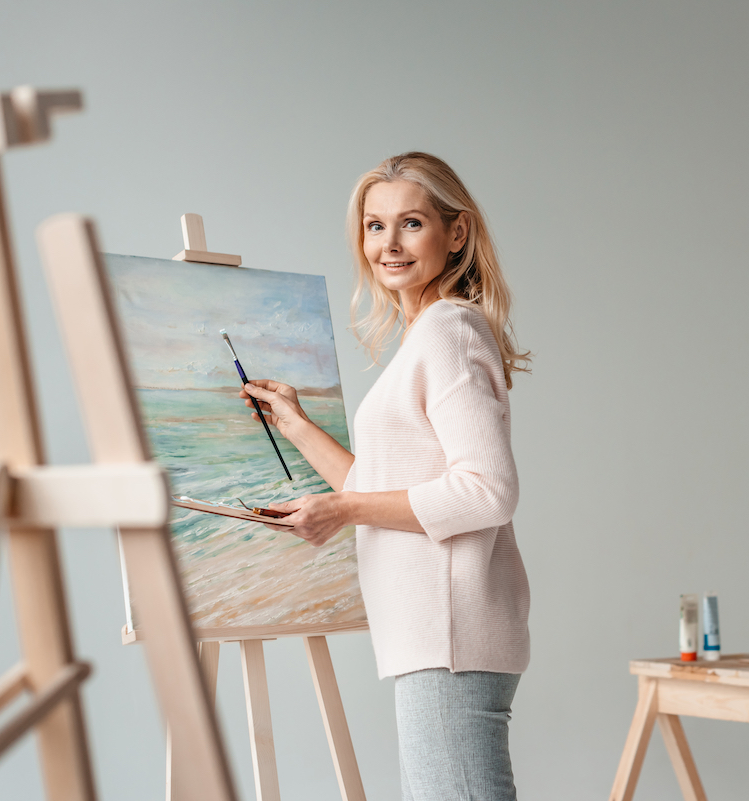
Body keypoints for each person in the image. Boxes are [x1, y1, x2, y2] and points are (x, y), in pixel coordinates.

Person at [240, 152, 531, 801]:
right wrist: (295, 424)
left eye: (410, 223)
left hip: (448, 641)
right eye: (375, 226)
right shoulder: (424, 336)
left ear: (455, 233)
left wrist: (342, 512)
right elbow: (373, 484)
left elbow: (489, 488)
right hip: (432, 639)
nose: (388, 245)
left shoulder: (447, 331)